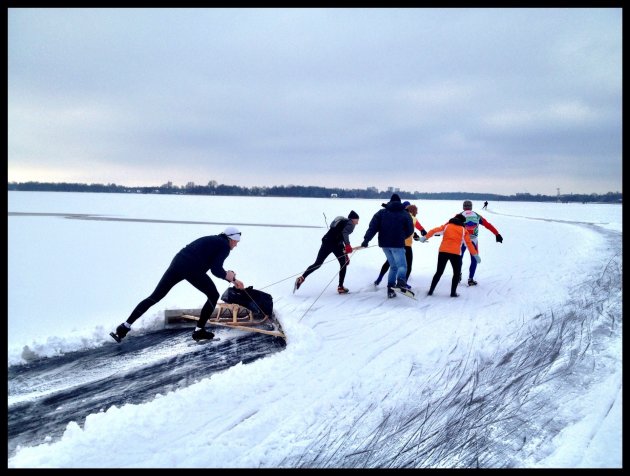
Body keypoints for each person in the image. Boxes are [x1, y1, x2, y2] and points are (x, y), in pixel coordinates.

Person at [111, 226, 245, 343]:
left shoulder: (213, 239)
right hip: (192, 268)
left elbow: (213, 265)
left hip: (178, 262)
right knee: (213, 295)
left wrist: (230, 277)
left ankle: (124, 327)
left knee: (155, 296)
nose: (236, 245)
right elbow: (216, 270)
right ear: (231, 238)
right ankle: (199, 331)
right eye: (236, 241)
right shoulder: (224, 246)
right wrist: (232, 278)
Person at [361, 194, 414, 299]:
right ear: (400, 202)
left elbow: (372, 227)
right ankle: (401, 282)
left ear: (390, 202)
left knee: (393, 266)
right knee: (402, 266)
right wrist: (402, 236)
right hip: (398, 244)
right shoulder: (405, 214)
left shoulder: (381, 213)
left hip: (385, 245)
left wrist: (366, 240)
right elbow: (410, 230)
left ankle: (390, 289)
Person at [294, 210, 360, 294]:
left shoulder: (342, 222)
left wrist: (345, 253)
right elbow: (345, 233)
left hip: (326, 241)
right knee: (343, 264)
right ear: (353, 219)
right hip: (335, 244)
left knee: (317, 263)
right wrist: (347, 245)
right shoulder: (350, 223)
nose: (357, 223)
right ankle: (340, 287)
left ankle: (302, 278)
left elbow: (340, 235)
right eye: (357, 220)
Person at [419, 214, 480, 298]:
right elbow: (468, 244)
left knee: (439, 272)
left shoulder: (447, 226)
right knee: (456, 273)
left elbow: (434, 231)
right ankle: (453, 293)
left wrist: (425, 237)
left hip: (443, 251)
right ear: (462, 222)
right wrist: (475, 254)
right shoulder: (463, 230)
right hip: (455, 253)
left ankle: (431, 291)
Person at [374, 203, 427, 288]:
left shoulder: (399, 217)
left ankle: (379, 279)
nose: (417, 213)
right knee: (408, 265)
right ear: (414, 212)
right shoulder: (412, 218)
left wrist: (415, 235)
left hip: (395, 244)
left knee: (390, 263)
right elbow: (410, 229)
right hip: (406, 246)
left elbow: (402, 229)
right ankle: (403, 283)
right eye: (416, 212)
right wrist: (419, 233)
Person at [459, 200, 503, 286]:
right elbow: (488, 225)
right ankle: (470, 279)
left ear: (463, 207)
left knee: (459, 258)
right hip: (473, 240)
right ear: (471, 207)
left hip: (462, 240)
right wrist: (497, 234)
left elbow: (449, 225)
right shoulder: (476, 215)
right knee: (474, 259)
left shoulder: (459, 215)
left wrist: (438, 232)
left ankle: (457, 275)